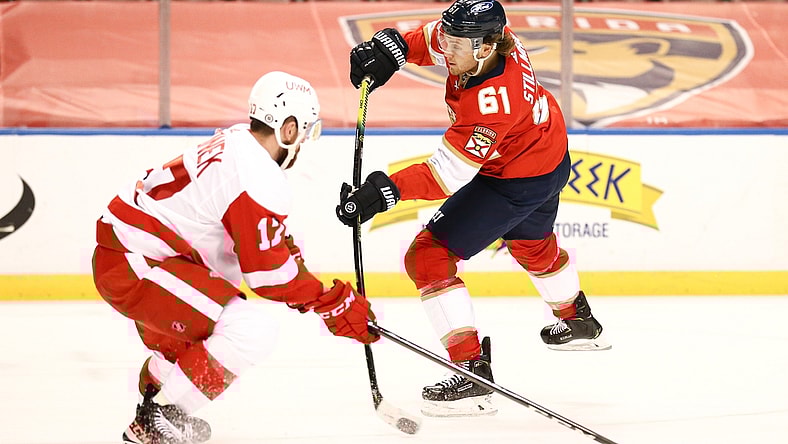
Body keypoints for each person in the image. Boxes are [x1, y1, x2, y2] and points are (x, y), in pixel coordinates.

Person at [338, 0, 610, 418]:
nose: (445, 47)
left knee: (427, 257)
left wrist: (383, 191)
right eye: (448, 35)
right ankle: (578, 320)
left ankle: (471, 372)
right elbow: (431, 38)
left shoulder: (492, 103)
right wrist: (392, 47)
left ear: (484, 48)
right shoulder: (491, 43)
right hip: (548, 158)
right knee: (532, 247)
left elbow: (445, 176)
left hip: (514, 177)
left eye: (456, 42)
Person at [92, 71, 379, 444]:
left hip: (141, 258)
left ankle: (158, 398)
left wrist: (321, 296)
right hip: (138, 263)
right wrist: (331, 302)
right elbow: (268, 276)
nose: (302, 143)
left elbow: (267, 242)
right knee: (250, 330)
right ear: (288, 129)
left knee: (204, 336)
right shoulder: (257, 176)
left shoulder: (237, 141)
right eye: (304, 132)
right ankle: (157, 419)